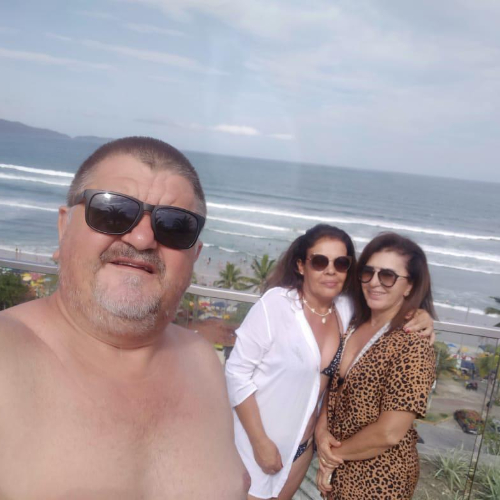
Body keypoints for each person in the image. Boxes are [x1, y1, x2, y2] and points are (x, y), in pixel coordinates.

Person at [0, 137, 248, 499]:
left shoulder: (202, 362)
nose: (143, 238)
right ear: (64, 227)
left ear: (195, 255)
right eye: (112, 211)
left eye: (174, 225)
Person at [225, 225, 434, 500]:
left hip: (312, 455)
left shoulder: (348, 311)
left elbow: (387, 427)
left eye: (341, 263)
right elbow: (236, 373)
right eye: (320, 261)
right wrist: (260, 442)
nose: (331, 270)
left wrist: (421, 315)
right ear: (301, 265)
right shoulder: (278, 305)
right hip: (257, 446)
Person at [316, 232, 436, 500]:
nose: (374, 282)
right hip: (339, 469)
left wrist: (330, 457)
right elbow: (334, 388)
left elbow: (390, 432)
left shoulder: (413, 344)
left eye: (388, 276)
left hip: (380, 479)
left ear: (409, 286)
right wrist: (321, 433)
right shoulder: (353, 323)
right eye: (368, 272)